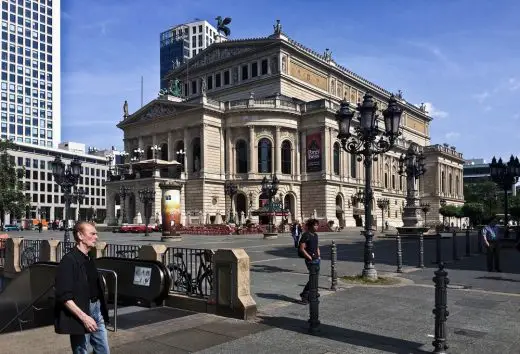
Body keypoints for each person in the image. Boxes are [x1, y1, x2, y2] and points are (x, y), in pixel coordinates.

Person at [54, 221, 110, 353]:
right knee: (82, 351)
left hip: (96, 310)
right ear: (80, 235)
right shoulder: (69, 261)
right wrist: (84, 317)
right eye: (92, 234)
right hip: (80, 312)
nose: (96, 237)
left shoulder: (89, 257)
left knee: (103, 350)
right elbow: (64, 296)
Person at [298, 218, 320, 304]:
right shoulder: (306, 235)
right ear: (310, 226)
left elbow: (317, 246)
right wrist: (309, 257)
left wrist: (319, 255)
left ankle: (311, 293)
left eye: (317, 225)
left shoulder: (316, 235)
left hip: (317, 259)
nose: (317, 227)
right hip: (310, 260)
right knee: (313, 278)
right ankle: (305, 295)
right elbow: (302, 248)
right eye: (315, 225)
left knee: (314, 278)